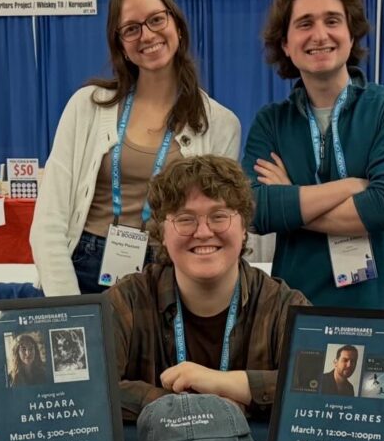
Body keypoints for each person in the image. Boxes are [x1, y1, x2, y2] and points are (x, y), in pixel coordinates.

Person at [31, 0, 241, 296]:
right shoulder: (86, 107)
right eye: (132, 28)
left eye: (157, 20)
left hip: (170, 270)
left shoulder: (221, 124)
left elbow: (215, 226)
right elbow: (48, 221)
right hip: (86, 266)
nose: (147, 35)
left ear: (178, 27)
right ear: (121, 47)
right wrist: (69, 308)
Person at [242, 0, 384, 311]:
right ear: (285, 43)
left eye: (332, 21)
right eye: (304, 24)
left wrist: (291, 198)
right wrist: (353, 186)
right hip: (298, 311)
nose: (320, 35)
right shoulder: (271, 122)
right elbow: (255, 209)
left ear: (351, 33)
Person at [107, 155, 308, 421]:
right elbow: (91, 390)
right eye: (185, 219)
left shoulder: (285, 306)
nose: (203, 232)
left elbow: (317, 389)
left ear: (244, 228)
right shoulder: (125, 301)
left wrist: (224, 382)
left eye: (219, 216)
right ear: (163, 234)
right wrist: (203, 408)